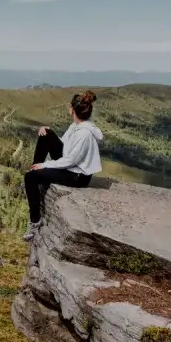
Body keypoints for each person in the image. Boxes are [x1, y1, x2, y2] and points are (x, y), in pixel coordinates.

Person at [22, 90, 103, 242]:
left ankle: (35, 222)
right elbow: (65, 143)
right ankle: (36, 171)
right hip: (71, 165)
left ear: (72, 110)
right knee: (46, 133)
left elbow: (70, 161)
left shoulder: (84, 134)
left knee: (30, 177)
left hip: (77, 175)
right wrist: (48, 133)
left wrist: (45, 165)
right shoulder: (76, 125)